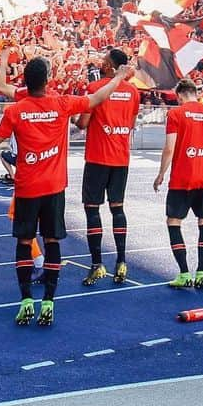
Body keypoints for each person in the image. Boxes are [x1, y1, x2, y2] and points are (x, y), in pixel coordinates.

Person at [0, 56, 134, 326]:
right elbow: (96, 99)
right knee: (52, 242)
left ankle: (26, 300)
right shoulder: (61, 102)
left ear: (25, 81)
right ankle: (48, 300)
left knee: (24, 243)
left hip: (27, 188)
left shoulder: (17, 109)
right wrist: (118, 78)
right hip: (53, 188)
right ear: (47, 80)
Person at [152, 79, 203, 289]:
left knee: (174, 221)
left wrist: (161, 174)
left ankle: (184, 273)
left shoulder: (176, 113)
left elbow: (169, 148)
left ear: (179, 96)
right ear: (196, 92)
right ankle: (202, 271)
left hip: (183, 177)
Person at [74, 48, 140, 286]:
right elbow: (131, 123)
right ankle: (121, 262)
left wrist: (75, 119)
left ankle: (96, 264)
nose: (101, 64)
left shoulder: (95, 89)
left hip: (98, 156)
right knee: (117, 209)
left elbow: (82, 123)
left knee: (92, 209)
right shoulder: (133, 92)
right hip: (121, 158)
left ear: (112, 67)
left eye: (104, 61)